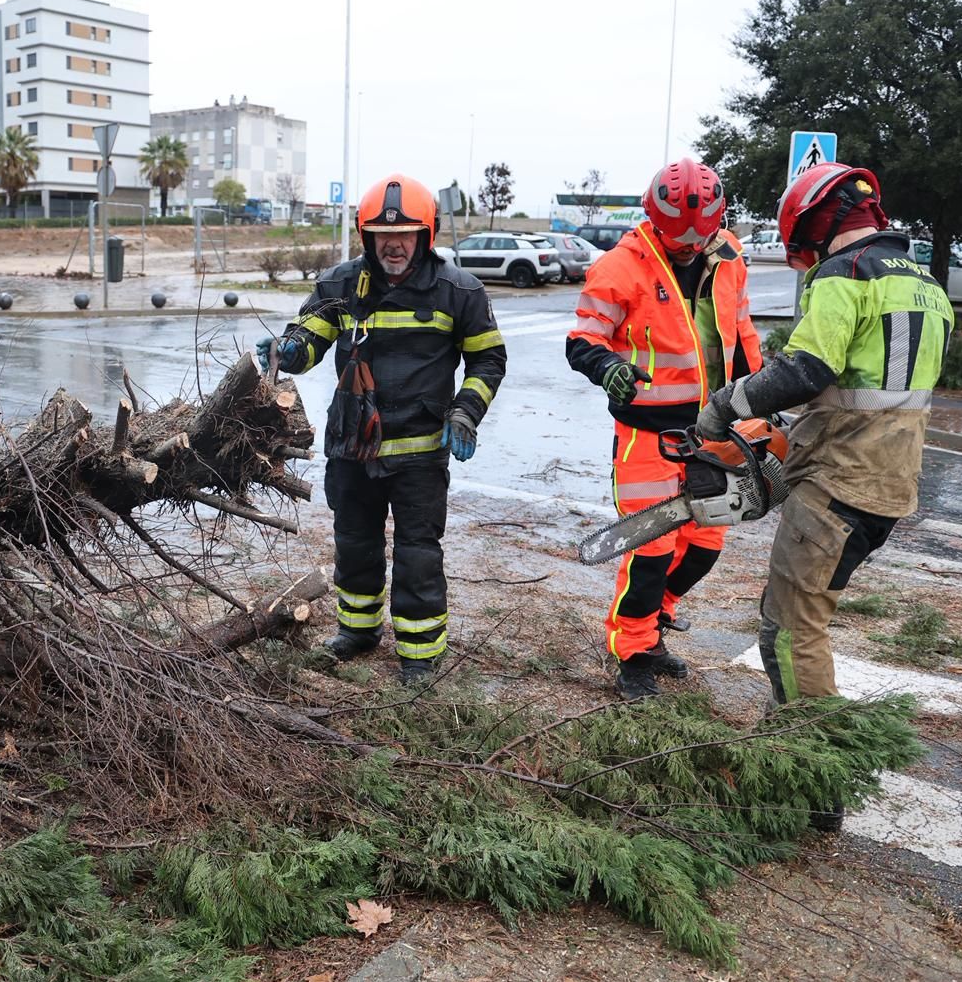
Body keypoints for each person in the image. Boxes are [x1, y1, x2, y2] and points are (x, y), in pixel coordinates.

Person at [696, 163, 952, 758]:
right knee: (801, 615)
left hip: (841, 480)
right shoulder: (924, 286)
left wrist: (725, 406)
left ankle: (814, 771)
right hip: (887, 481)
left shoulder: (847, 273)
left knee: (788, 629)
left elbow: (805, 369)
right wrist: (787, 429)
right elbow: (869, 385)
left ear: (814, 225)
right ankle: (780, 736)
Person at [256, 174, 507, 686]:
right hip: (352, 448)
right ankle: (357, 631)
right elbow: (311, 336)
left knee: (418, 552)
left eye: (407, 233)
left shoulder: (459, 291)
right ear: (365, 236)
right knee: (354, 542)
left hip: (419, 454)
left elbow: (488, 359)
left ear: (427, 234)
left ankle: (419, 654)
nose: (394, 244)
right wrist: (288, 351)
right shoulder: (341, 285)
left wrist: (465, 413)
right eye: (381, 234)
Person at [565, 158, 763, 699]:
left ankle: (655, 625)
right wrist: (609, 369)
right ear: (655, 219)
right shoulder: (620, 267)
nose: (689, 249)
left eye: (698, 241)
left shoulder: (728, 256)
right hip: (647, 433)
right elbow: (583, 340)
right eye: (678, 241)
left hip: (716, 427)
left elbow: (740, 330)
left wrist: (760, 398)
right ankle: (632, 652)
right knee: (650, 549)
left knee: (704, 544)